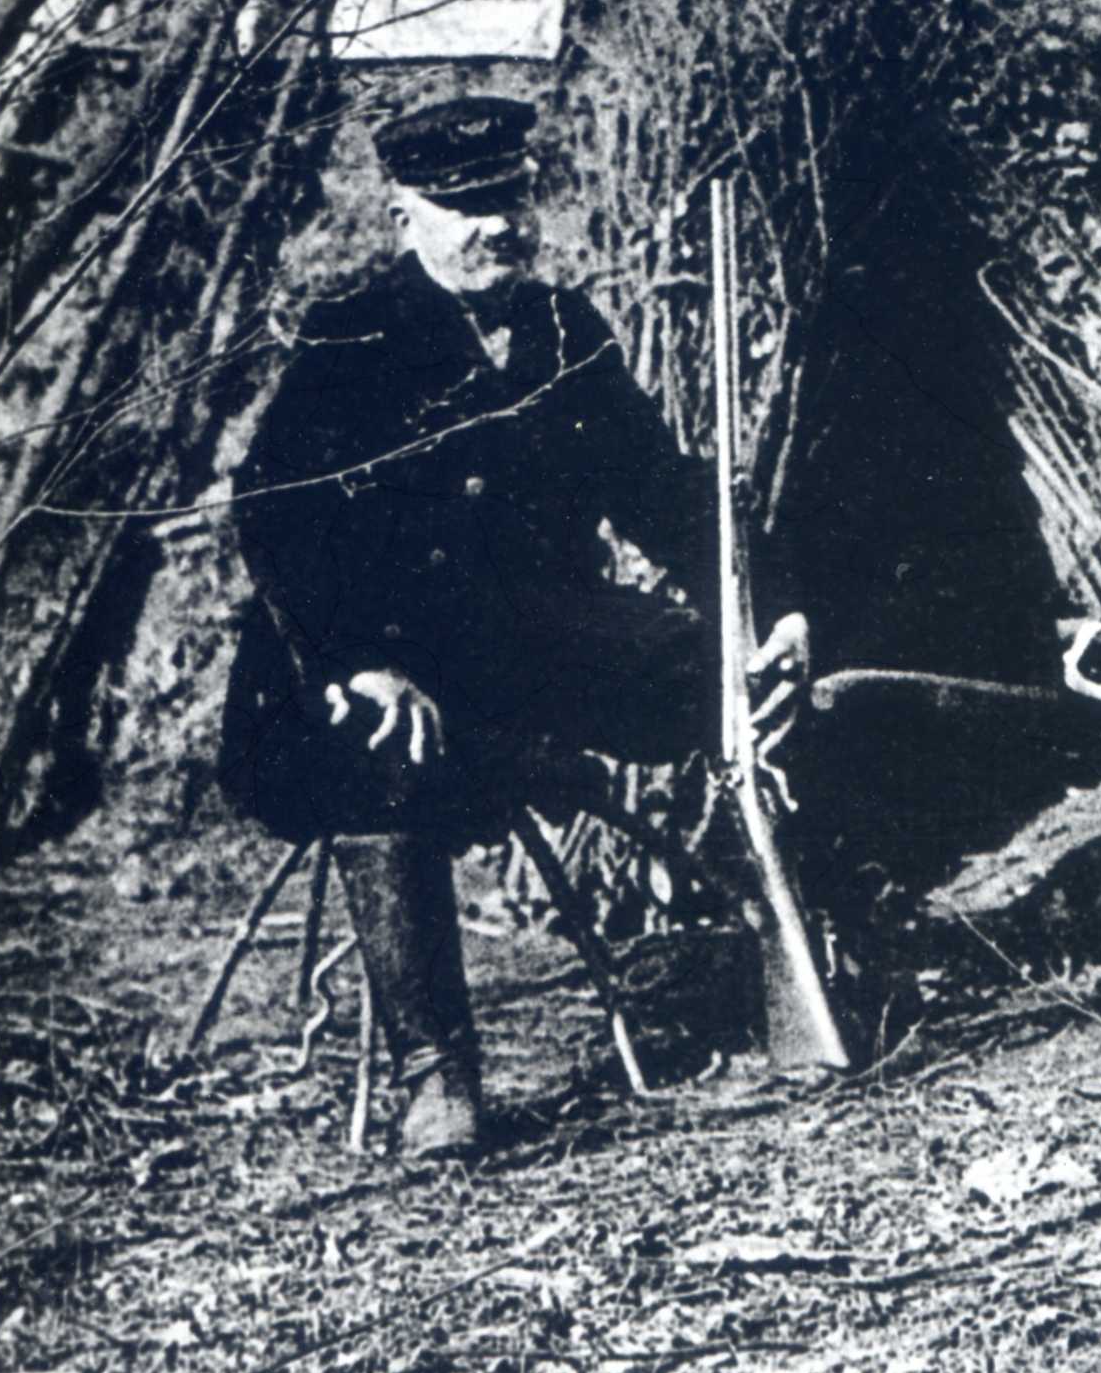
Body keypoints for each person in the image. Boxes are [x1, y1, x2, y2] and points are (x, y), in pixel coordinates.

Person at [219, 94, 732, 1160]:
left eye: (508, 197)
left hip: (518, 648)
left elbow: (663, 494)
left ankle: (809, 943)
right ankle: (436, 1074)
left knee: (724, 677)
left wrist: (754, 610)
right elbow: (277, 516)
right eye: (462, 204)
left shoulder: (562, 331)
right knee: (382, 757)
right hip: (355, 663)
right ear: (406, 218)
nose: (496, 223)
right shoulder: (352, 337)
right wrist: (363, 663)